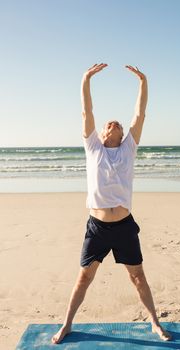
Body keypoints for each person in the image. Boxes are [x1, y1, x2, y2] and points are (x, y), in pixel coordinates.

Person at [52, 63, 171, 344]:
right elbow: (87, 112)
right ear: (102, 135)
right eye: (108, 124)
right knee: (83, 278)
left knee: (138, 277)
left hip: (125, 227)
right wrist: (85, 79)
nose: (113, 124)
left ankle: (154, 322)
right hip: (97, 228)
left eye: (117, 124)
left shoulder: (129, 148)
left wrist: (143, 81)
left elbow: (140, 113)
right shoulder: (93, 148)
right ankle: (67, 324)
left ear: (123, 134)